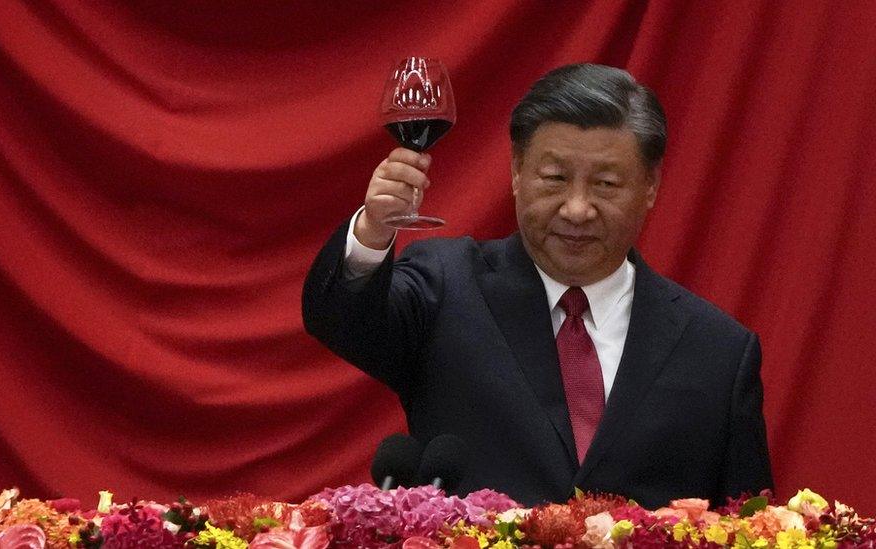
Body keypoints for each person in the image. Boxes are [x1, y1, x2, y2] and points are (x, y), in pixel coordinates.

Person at [302, 63, 773, 508]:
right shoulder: (447, 287)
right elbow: (345, 320)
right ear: (516, 173)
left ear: (650, 186)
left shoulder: (719, 353)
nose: (576, 209)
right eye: (554, 179)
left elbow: (754, 524)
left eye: (606, 184)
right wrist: (374, 232)